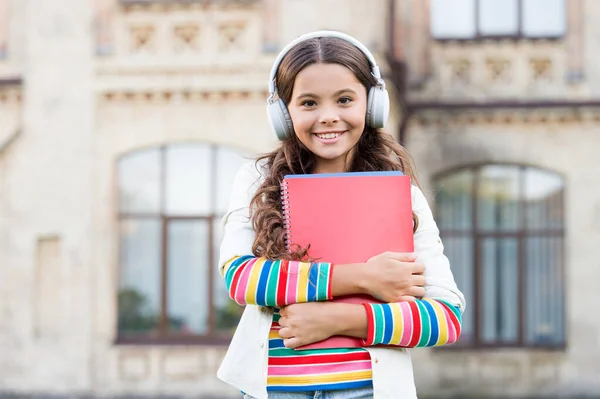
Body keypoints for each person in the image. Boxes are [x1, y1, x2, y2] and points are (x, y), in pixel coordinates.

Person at [217, 30, 466, 399]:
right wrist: (365, 277)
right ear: (283, 113)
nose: (328, 116)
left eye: (345, 99)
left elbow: (445, 318)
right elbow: (242, 279)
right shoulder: (257, 182)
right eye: (309, 103)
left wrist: (341, 318)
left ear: (372, 104)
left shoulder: (403, 196)